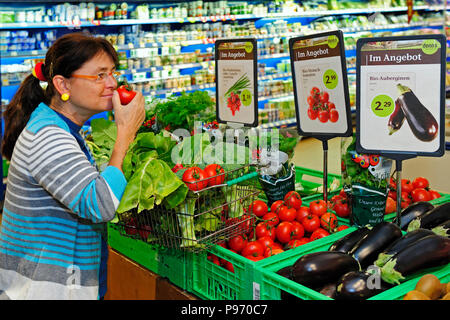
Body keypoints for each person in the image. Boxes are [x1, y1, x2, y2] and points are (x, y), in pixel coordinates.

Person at [0, 32, 145, 299]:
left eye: (112, 72)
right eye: (99, 75)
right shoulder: (48, 136)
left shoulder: (62, 128)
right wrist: (125, 133)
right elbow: (101, 204)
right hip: (43, 289)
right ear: (63, 85)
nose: (112, 83)